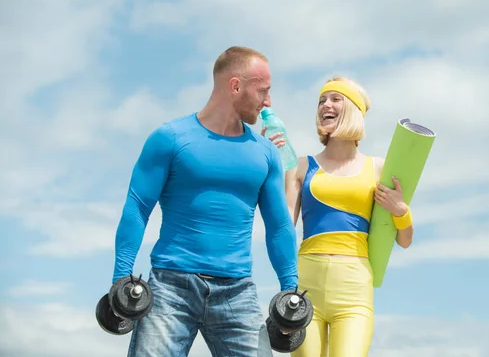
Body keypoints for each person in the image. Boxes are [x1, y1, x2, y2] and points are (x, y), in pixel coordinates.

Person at [111, 46, 299, 357]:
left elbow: (279, 226)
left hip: (236, 293)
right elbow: (137, 208)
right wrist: (121, 278)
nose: (268, 102)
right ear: (235, 86)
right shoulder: (170, 138)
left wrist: (291, 291)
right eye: (263, 91)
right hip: (171, 288)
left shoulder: (265, 153)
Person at [269, 76, 414, 357]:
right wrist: (269, 161)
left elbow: (406, 240)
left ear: (353, 110)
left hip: (354, 289)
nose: (326, 105)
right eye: (322, 100)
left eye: (335, 99)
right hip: (305, 284)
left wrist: (401, 211)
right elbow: (284, 228)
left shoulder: (380, 169)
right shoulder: (299, 167)